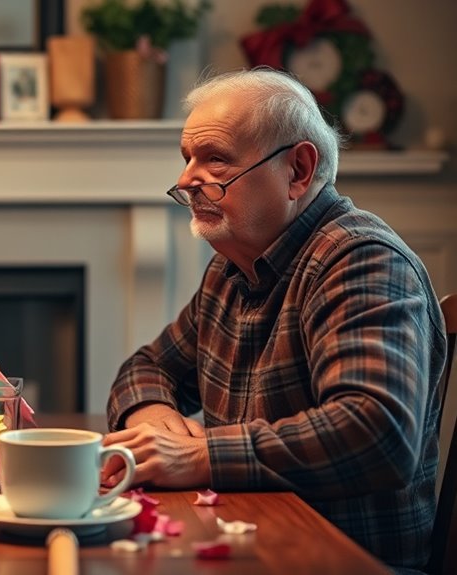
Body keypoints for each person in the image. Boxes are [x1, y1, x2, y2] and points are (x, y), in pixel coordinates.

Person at [103, 68, 446, 573]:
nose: (186, 180)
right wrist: (153, 421)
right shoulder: (231, 267)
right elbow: (147, 366)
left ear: (298, 171)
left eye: (215, 159)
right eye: (187, 159)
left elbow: (376, 430)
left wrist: (196, 456)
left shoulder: (361, 259)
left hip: (345, 561)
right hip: (252, 544)